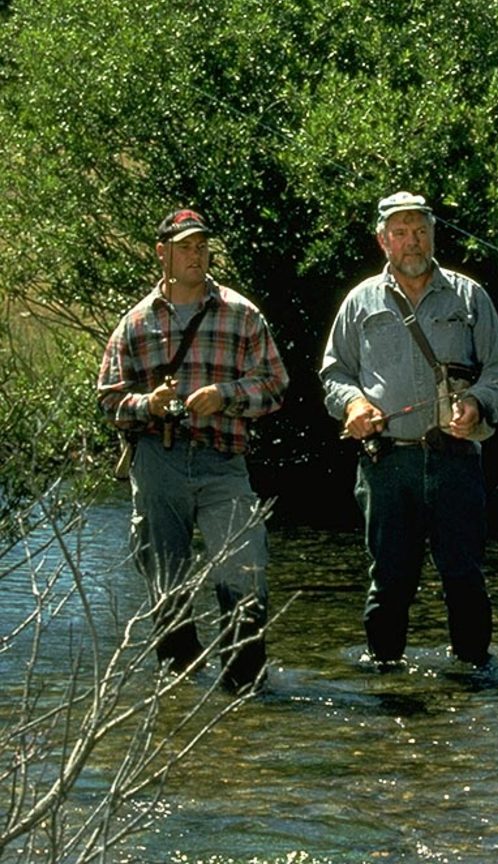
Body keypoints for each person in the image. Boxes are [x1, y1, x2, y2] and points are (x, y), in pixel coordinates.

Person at [320, 190, 498, 667]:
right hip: (386, 463)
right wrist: (354, 405)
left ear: (433, 235)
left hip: (455, 458)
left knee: (464, 577)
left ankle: (475, 680)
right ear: (383, 240)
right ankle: (386, 683)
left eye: (421, 231)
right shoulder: (360, 301)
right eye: (402, 233)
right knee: (388, 580)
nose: (413, 242)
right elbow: (333, 374)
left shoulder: (469, 296)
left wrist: (475, 401)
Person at [97, 208, 289, 691]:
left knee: (245, 569)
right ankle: (178, 688)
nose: (195, 255)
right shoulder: (135, 324)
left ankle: (245, 689)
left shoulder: (242, 314)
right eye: (184, 247)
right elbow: (109, 400)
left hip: (223, 459)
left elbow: (276, 386)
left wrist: (225, 396)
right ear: (161, 253)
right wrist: (149, 404)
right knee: (167, 580)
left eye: (201, 246)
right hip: (157, 460)